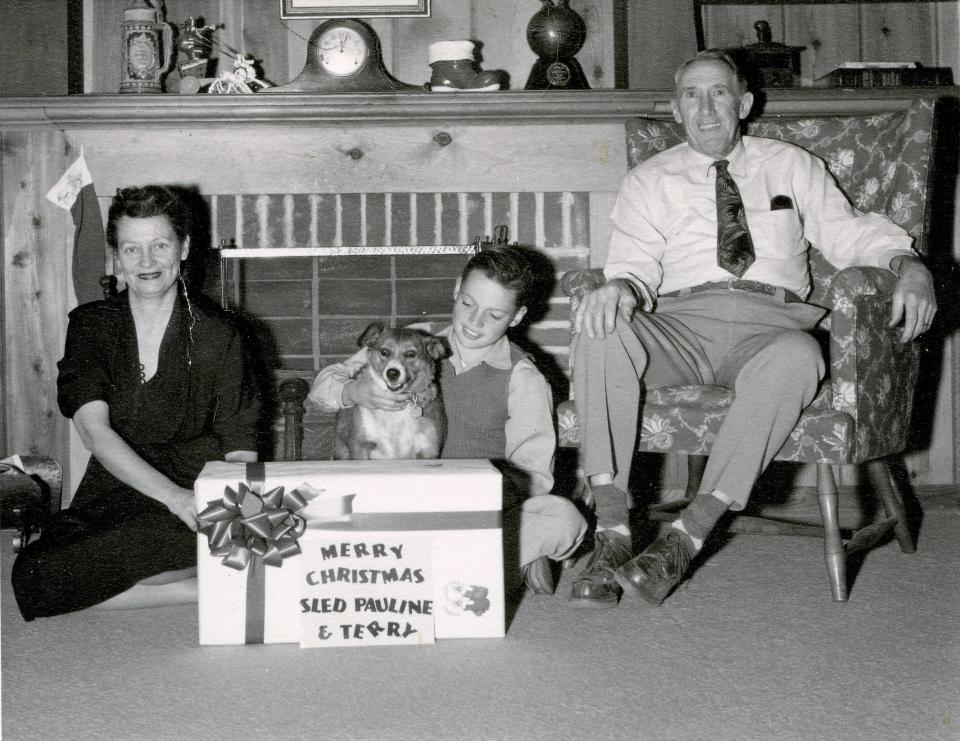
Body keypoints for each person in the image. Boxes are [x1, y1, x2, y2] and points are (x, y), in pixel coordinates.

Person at [569, 50, 937, 608]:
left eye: (718, 92)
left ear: (743, 103)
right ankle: (613, 532)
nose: (706, 107)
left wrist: (909, 267)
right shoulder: (649, 180)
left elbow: (849, 234)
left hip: (772, 324)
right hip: (680, 325)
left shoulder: (790, 165)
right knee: (601, 329)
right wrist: (619, 288)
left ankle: (688, 534)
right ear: (676, 110)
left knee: (799, 357)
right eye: (691, 95)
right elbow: (634, 265)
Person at [12, 185, 261, 620]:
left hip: (198, 491)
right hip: (118, 488)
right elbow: (94, 432)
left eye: (159, 245)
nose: (146, 262)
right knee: (35, 575)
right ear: (116, 257)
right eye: (132, 248)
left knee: (153, 549)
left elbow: (240, 447)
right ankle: (205, 588)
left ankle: (201, 563)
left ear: (183, 249)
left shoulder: (221, 334)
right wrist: (172, 499)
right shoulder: (91, 327)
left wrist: (223, 512)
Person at [309, 246, 588, 595]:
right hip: (394, 491)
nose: (474, 322)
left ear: (516, 318)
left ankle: (436, 566)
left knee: (562, 517)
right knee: (316, 506)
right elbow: (323, 386)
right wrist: (354, 392)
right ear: (456, 290)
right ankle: (467, 567)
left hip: (471, 506)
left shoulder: (523, 377)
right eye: (468, 304)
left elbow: (535, 475)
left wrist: (468, 497)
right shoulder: (414, 340)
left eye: (494, 314)